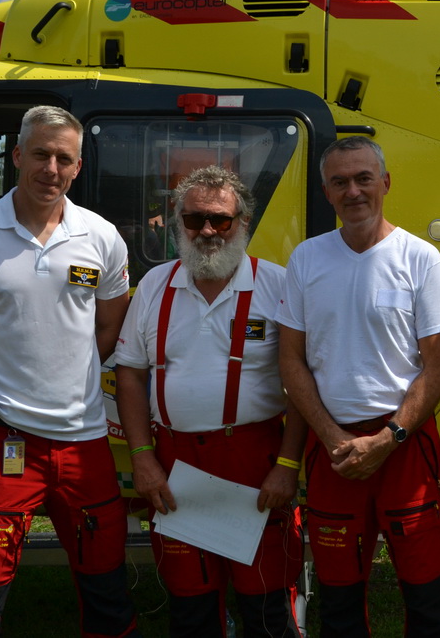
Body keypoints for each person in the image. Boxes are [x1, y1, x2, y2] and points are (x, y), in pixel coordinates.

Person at [0, 106, 138, 637]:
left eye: (63, 159)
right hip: (3, 441)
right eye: (41, 154)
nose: (51, 168)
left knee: (107, 590)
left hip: (84, 443)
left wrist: (71, 372)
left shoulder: (102, 237)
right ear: (18, 155)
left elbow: (110, 326)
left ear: (77, 167)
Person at [277, 135, 440, 637]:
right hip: (334, 449)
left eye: (364, 179)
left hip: (404, 447)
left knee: (427, 596)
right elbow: (290, 360)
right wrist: (331, 436)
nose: (353, 191)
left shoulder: (420, 258)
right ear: (326, 192)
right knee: (339, 601)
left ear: (385, 183)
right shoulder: (306, 259)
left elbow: (438, 368)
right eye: (340, 182)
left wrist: (389, 438)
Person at [114, 165, 304, 637]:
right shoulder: (154, 286)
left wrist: (287, 464)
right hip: (175, 466)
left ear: (244, 222)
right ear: (178, 222)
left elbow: (303, 382)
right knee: (191, 606)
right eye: (194, 219)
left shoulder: (278, 286)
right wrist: (142, 457)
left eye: (221, 220)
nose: (207, 231)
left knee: (265, 603)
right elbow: (130, 374)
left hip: (255, 463)